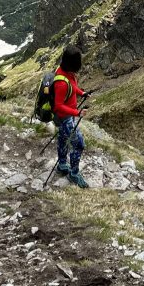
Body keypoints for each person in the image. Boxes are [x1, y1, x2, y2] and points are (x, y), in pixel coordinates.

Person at [52, 44, 89, 188]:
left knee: (62, 138)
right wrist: (77, 113)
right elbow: (58, 106)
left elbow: (72, 87)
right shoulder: (61, 83)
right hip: (65, 117)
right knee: (79, 144)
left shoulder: (65, 72)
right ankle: (73, 173)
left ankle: (62, 164)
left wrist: (82, 93)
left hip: (67, 116)